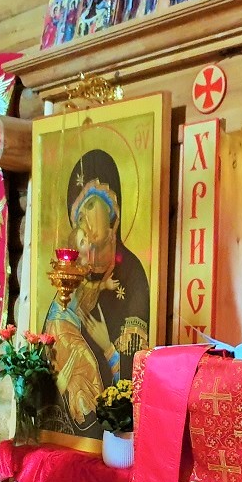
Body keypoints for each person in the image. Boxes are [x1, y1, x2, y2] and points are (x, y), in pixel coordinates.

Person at [42, 149, 150, 436]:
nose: (85, 221)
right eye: (79, 216)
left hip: (117, 436)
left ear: (112, 206)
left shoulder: (132, 275)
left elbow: (138, 369)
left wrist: (108, 347)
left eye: (90, 206)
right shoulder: (72, 280)